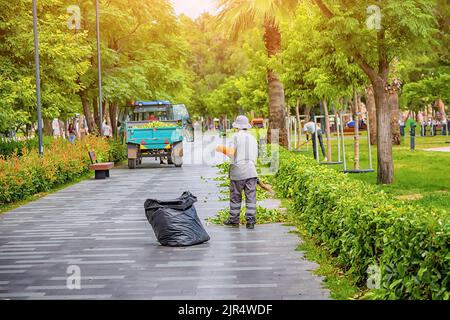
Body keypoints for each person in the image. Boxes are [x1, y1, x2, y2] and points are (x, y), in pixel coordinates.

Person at [217, 115, 258, 229]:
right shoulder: (253, 138)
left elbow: (230, 152)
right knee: (251, 197)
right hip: (251, 171)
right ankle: (251, 221)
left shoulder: (235, 137)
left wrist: (220, 148)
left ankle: (234, 220)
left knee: (236, 197)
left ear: (236, 127)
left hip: (238, 172)